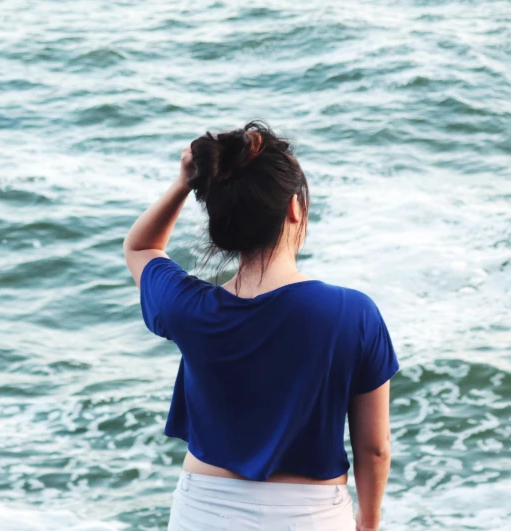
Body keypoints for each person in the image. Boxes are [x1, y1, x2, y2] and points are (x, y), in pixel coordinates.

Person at [123, 119, 400, 531]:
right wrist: (369, 522)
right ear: (293, 208)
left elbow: (141, 247)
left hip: (204, 511)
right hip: (312, 516)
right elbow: (374, 448)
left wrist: (184, 183)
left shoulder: (190, 308)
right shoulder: (352, 312)